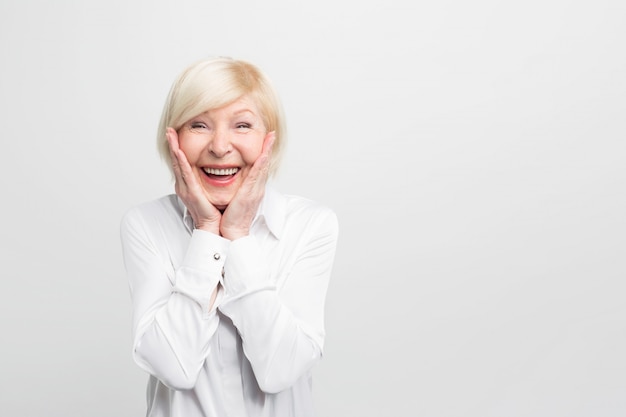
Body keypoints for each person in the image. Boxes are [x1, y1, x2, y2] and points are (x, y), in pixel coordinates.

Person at [120, 56, 339, 417]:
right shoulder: (145, 223)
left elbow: (279, 370)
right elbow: (173, 366)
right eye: (199, 125)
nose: (220, 147)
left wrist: (237, 236)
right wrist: (208, 232)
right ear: (173, 137)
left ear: (269, 140)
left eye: (242, 125)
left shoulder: (311, 225)